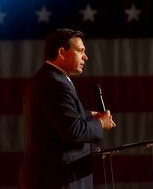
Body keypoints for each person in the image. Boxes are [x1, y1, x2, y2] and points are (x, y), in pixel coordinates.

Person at [18, 28, 116, 189]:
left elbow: (56, 118)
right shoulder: (55, 83)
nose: (85, 57)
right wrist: (100, 123)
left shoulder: (48, 77)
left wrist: (88, 115)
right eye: (80, 51)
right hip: (58, 180)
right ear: (62, 52)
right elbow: (73, 130)